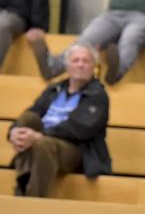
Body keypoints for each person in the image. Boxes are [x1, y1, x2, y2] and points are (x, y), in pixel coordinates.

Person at [7, 43, 112, 197]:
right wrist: (14, 131)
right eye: (75, 61)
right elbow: (34, 111)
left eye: (85, 61)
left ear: (93, 67)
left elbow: (80, 128)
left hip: (77, 151)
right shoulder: (54, 89)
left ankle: (34, 199)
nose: (80, 65)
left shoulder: (97, 95)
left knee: (43, 144)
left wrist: (39, 135)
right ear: (67, 66)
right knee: (28, 119)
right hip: (42, 142)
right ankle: (23, 182)